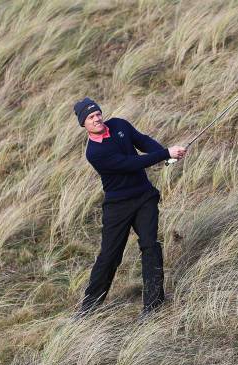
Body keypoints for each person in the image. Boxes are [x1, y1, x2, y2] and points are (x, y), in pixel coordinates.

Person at [73, 97, 186, 317]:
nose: (97, 119)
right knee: (109, 256)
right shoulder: (94, 153)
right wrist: (165, 154)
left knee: (150, 245)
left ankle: (153, 304)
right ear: (83, 124)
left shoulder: (119, 125)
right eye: (90, 117)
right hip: (118, 206)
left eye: (98, 114)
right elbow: (130, 164)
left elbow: (142, 141)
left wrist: (163, 154)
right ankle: (88, 308)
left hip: (144, 197)